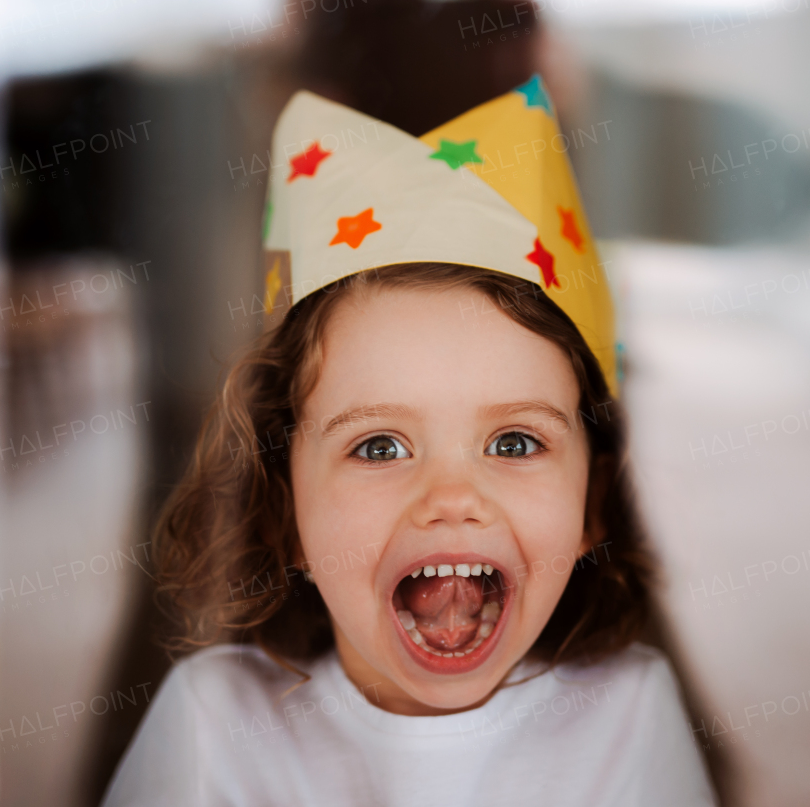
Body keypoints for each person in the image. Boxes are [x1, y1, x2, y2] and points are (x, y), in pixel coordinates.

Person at [101, 76, 716, 807]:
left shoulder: (629, 715)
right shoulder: (212, 726)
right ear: (281, 510)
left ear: (594, 508)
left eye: (515, 443)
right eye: (380, 447)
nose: (452, 499)